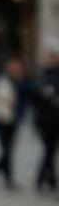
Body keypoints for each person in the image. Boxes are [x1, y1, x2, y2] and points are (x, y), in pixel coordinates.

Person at [0, 53, 32, 189]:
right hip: (2, 118)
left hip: (14, 118)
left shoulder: (21, 80)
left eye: (17, 64)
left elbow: (27, 93)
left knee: (9, 150)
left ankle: (4, 177)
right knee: (7, 150)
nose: (15, 66)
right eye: (12, 64)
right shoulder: (1, 78)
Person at [33, 40, 59, 191]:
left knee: (50, 151)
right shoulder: (43, 75)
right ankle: (46, 180)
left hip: (56, 120)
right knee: (49, 150)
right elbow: (38, 97)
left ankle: (49, 180)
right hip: (45, 120)